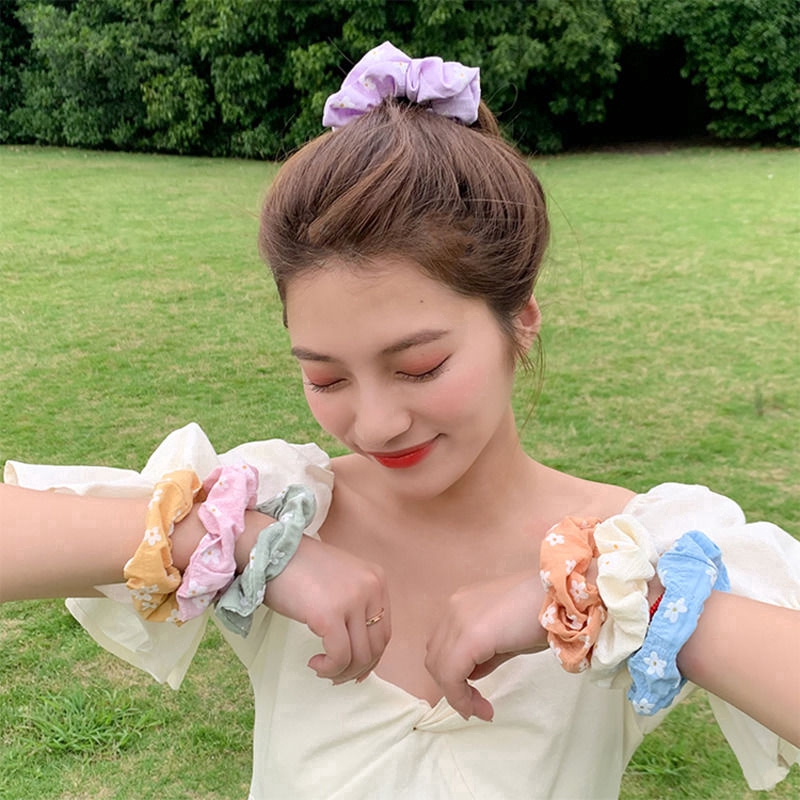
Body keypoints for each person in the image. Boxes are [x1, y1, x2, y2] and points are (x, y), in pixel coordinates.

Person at [1, 42, 799, 799]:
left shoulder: (639, 551)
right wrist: (244, 544)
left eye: (419, 367)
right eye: (325, 376)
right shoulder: (282, 509)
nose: (376, 424)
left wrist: (600, 596)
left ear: (521, 322)